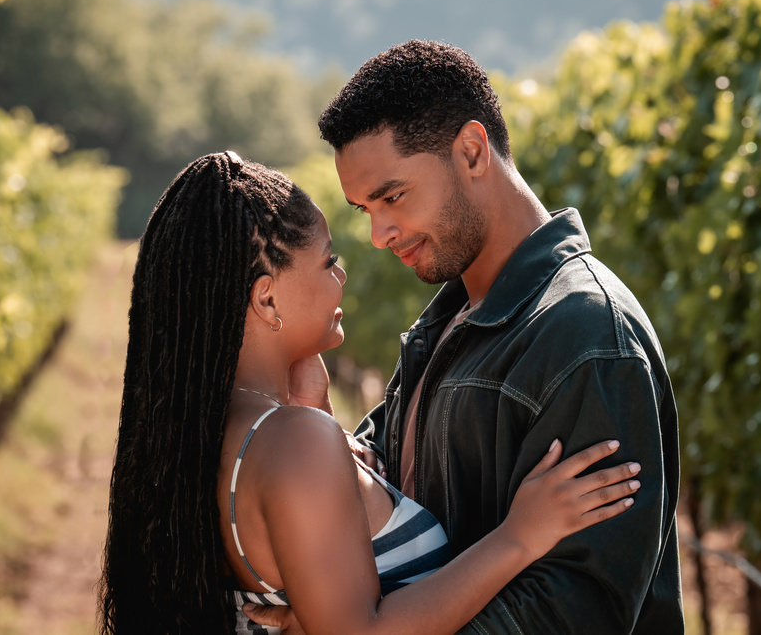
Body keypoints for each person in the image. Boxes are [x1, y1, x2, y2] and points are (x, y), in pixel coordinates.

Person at [97, 151, 641, 635]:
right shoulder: (293, 442)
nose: (344, 276)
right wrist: (520, 536)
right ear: (266, 301)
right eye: (329, 261)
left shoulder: (218, 429)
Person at [248, 40, 684, 634]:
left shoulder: (586, 338)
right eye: (363, 210)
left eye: (392, 196)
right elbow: (387, 498)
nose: (379, 234)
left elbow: (574, 612)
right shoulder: (449, 320)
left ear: (473, 151)